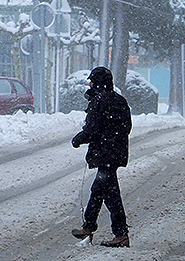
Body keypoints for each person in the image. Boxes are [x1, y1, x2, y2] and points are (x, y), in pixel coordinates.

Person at [70, 66, 132, 248]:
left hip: (104, 154)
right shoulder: (120, 100)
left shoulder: (99, 101)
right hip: (116, 153)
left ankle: (121, 234)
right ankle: (88, 227)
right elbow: (127, 126)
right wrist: (115, 139)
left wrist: (78, 139)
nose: (89, 83)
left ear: (97, 82)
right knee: (98, 190)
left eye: (91, 80)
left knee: (111, 195)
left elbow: (92, 129)